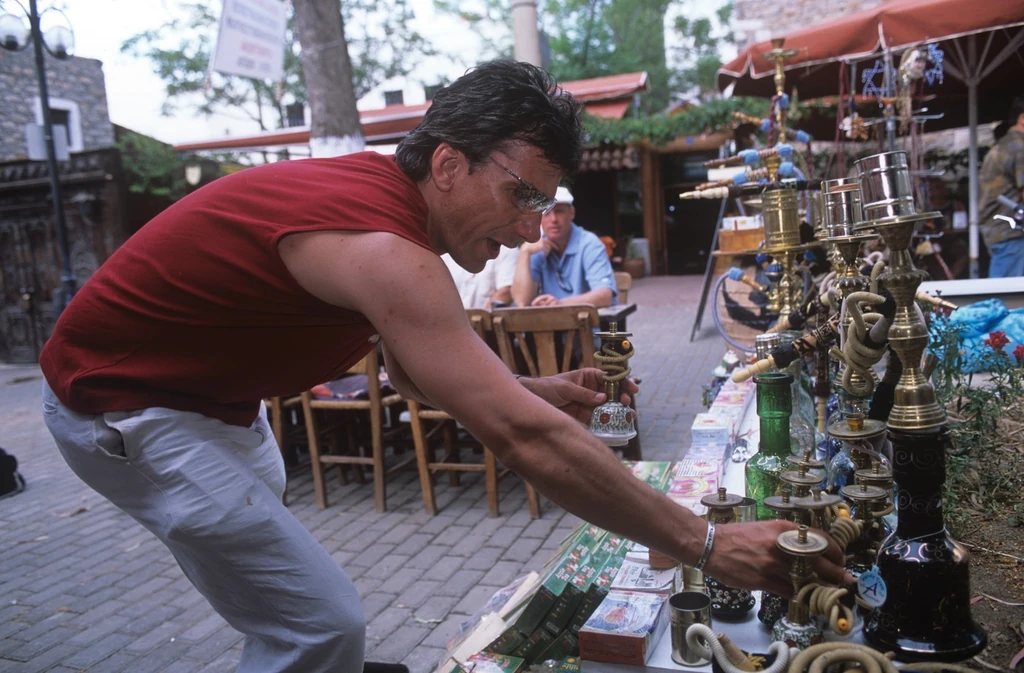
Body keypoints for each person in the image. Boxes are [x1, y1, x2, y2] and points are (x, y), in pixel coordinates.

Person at [39, 61, 848, 673]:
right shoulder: (388, 247)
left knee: (289, 617)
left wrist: (531, 390)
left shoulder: (396, 220)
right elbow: (519, 442)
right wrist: (707, 542)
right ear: (450, 164)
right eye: (522, 196)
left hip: (213, 406)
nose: (533, 229)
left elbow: (418, 376)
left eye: (547, 204)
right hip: (125, 406)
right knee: (321, 625)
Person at [511, 187, 618, 307]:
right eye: (546, 213)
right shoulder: (536, 248)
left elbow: (605, 295)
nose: (553, 220)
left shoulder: (589, 244)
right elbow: (521, 301)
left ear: (572, 213)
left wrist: (559, 304)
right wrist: (524, 252)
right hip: (552, 324)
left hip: (588, 323)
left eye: (559, 211)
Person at [979, 95, 1024, 278]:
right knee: (1008, 300)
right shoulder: (1020, 147)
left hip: (999, 229)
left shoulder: (1004, 145)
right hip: (1012, 232)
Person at [441, 243, 519, 309]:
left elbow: (505, 292)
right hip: (453, 323)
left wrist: (480, 322)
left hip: (489, 324)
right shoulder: (447, 253)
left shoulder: (507, 250)